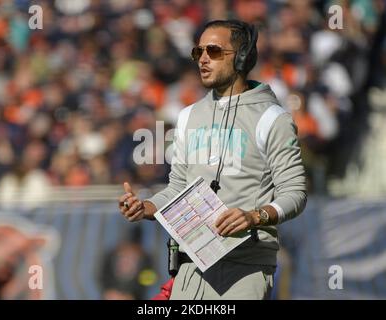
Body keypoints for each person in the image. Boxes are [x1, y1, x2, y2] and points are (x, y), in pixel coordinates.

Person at [119, 19, 307, 300]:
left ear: (242, 57)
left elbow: (295, 193)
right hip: (189, 269)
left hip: (244, 268)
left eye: (214, 51)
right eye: (198, 52)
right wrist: (145, 207)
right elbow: (177, 191)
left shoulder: (272, 118)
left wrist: (255, 216)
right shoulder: (187, 117)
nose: (203, 59)